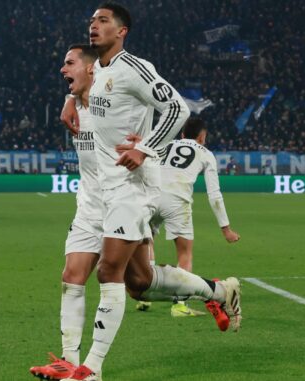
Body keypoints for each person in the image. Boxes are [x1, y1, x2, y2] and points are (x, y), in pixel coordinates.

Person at [60, 3, 242, 380]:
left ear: (122, 31)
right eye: (92, 20)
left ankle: (89, 369)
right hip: (101, 195)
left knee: (108, 271)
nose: (94, 25)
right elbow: (79, 73)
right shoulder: (96, 71)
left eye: (103, 20)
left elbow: (178, 108)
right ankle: (218, 291)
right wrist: (69, 99)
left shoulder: (134, 69)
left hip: (133, 188)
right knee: (139, 284)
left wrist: (147, 149)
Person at [29, 44, 103, 381]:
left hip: (124, 207)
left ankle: (215, 292)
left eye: (69, 63)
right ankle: (71, 364)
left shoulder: (116, 100)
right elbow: (74, 90)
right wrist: (70, 99)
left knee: (140, 285)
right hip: (88, 208)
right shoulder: (75, 105)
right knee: (71, 277)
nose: (62, 70)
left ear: (90, 68)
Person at [145, 118, 241, 317]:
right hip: (177, 201)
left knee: (148, 240)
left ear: (182, 135)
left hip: (151, 196)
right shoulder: (206, 153)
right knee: (184, 253)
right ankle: (179, 305)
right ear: (202, 137)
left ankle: (146, 296)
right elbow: (214, 194)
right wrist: (226, 229)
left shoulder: (166, 144)